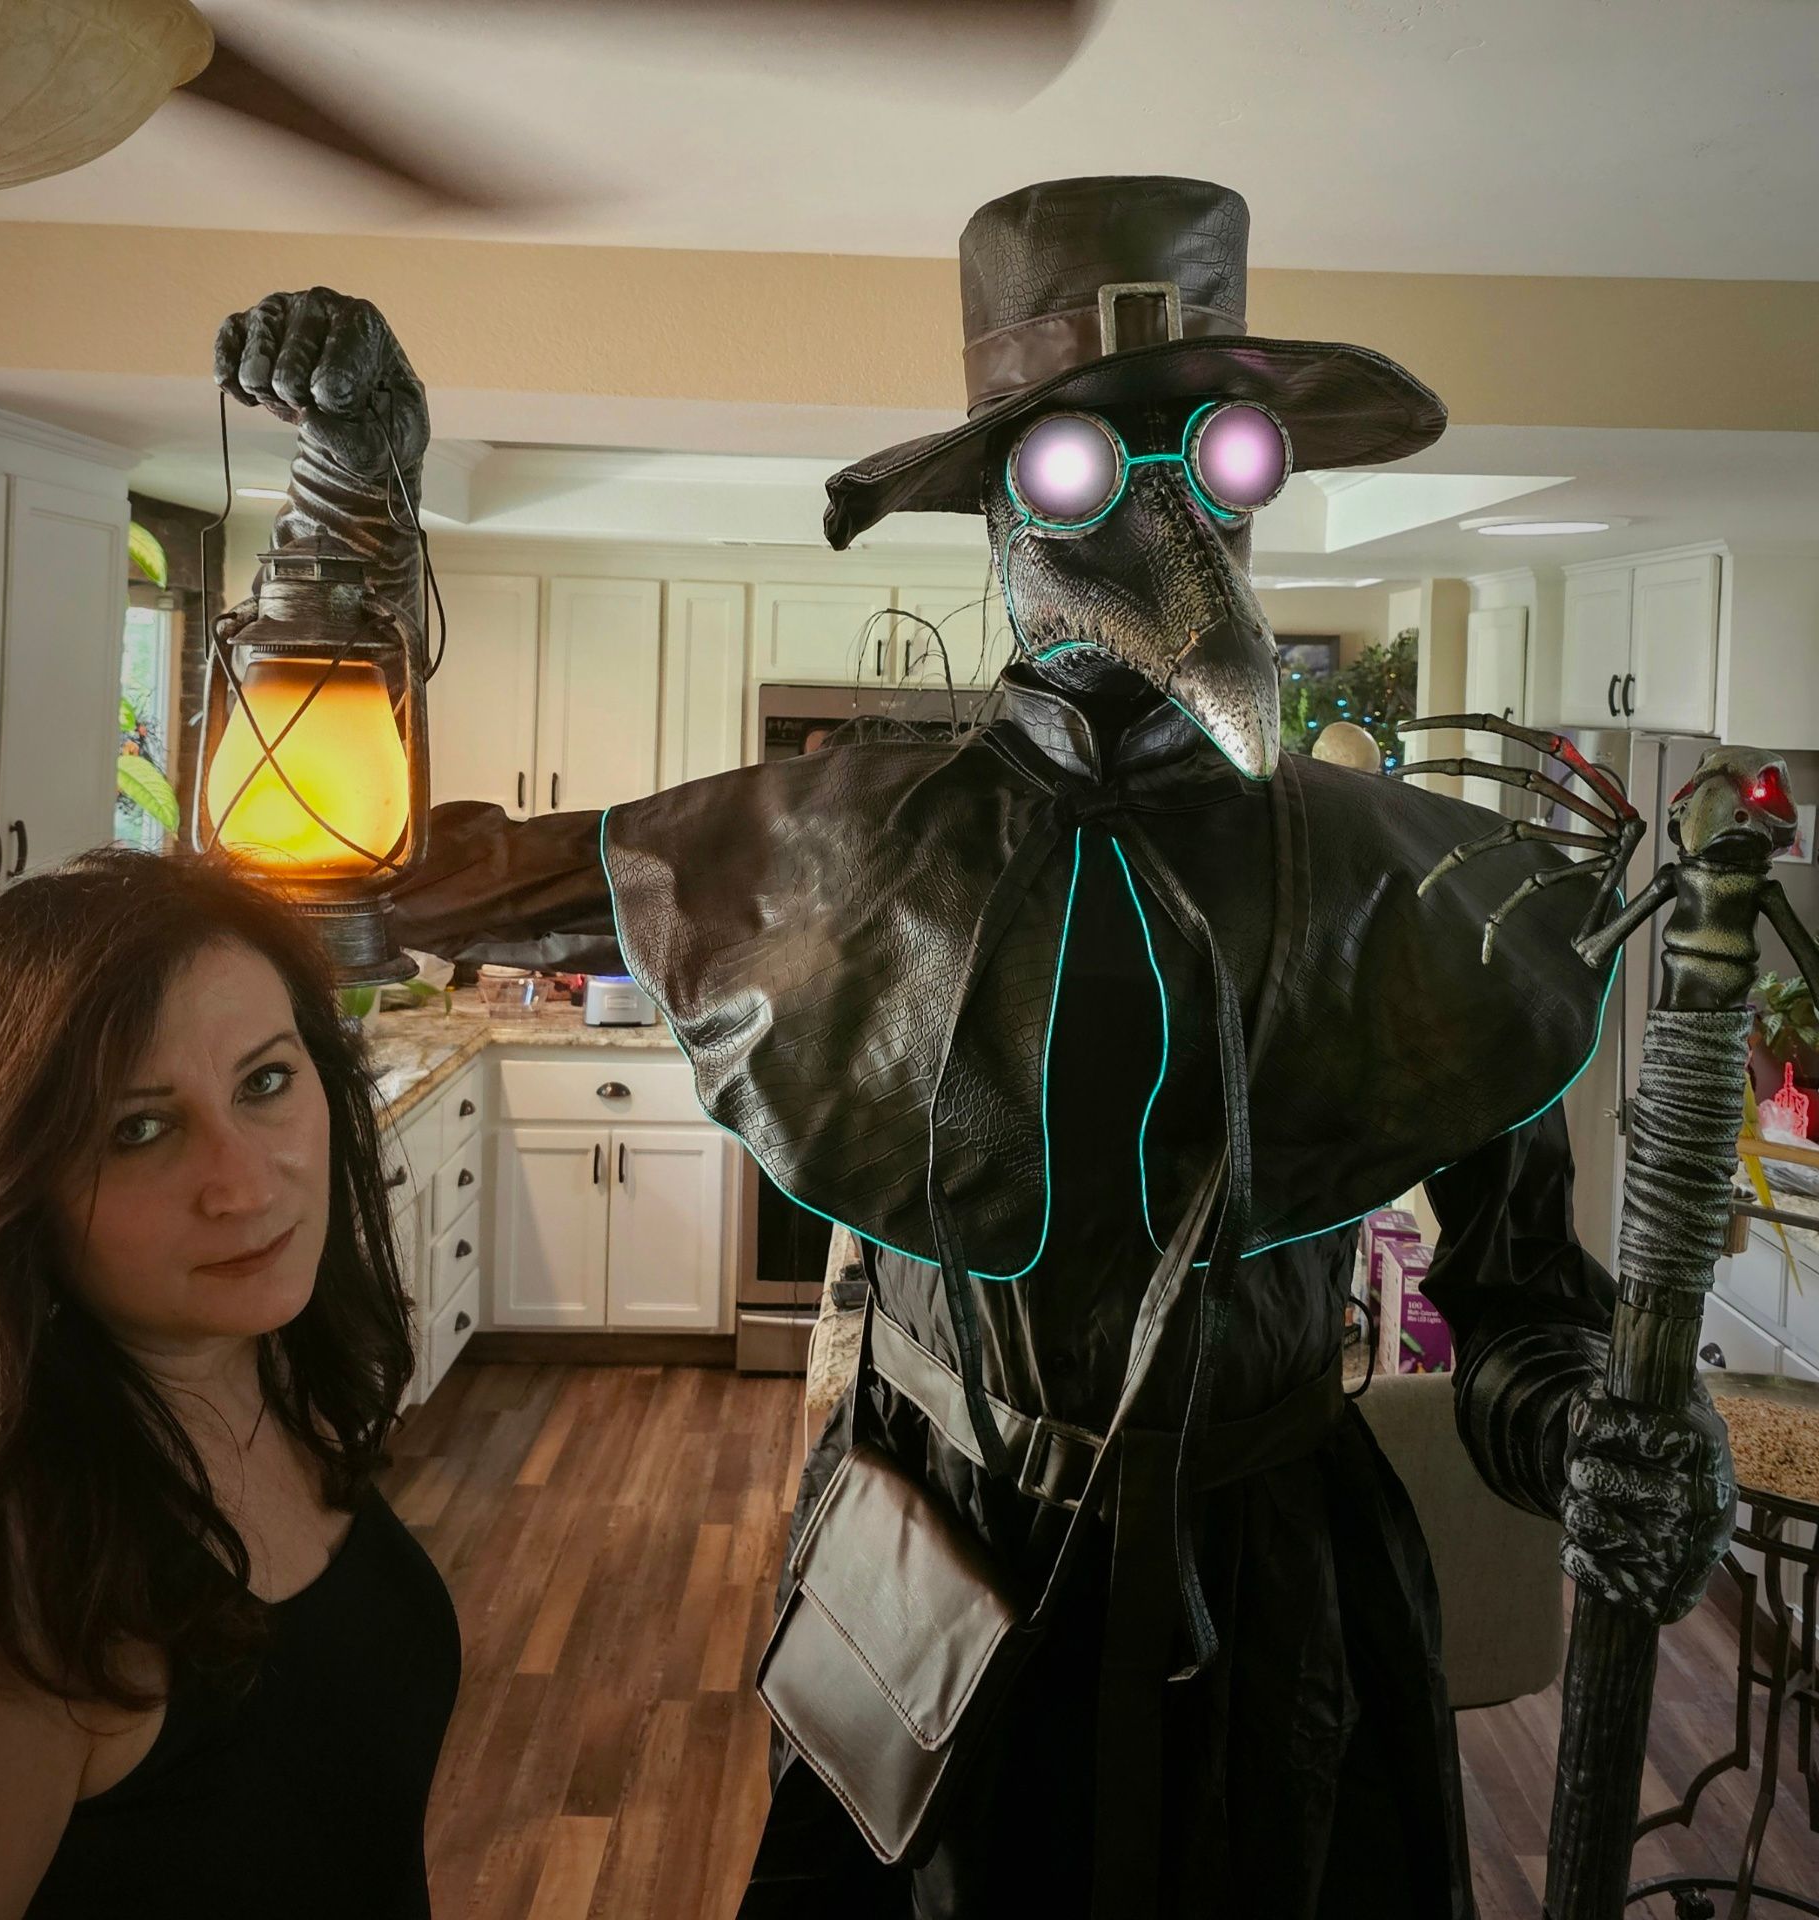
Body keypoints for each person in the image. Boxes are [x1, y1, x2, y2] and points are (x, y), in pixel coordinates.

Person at [216, 177, 1735, 1917]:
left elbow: (1523, 1303)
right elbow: (370, 875)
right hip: (933, 1567)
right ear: (1003, 504)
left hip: (1276, 1609)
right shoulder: (825, 848)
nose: (1156, 515)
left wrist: (1590, 1428)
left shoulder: (1417, 895)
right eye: (1081, 459)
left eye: (1213, 457)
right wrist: (349, 512)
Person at [0, 848, 460, 1920]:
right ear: (17, 1185)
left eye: (265, 1082)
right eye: (139, 1129)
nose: (244, 1184)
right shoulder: (17, 1595)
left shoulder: (269, 1375)